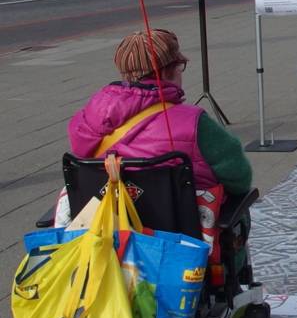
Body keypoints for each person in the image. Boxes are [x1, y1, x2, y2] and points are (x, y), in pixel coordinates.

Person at [66, 29, 252, 236]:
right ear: (165, 72)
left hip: (108, 241)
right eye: (180, 66)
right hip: (182, 245)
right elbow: (239, 179)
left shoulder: (84, 121)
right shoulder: (195, 122)